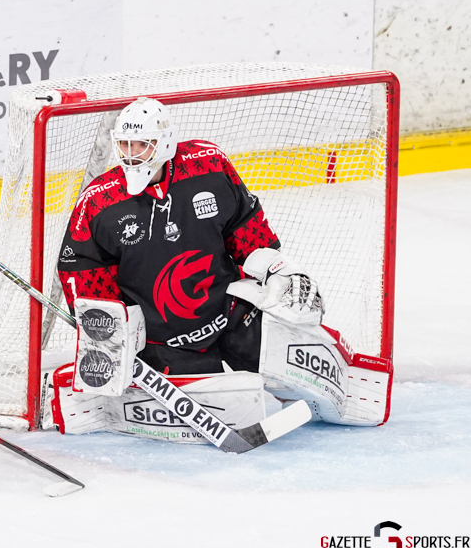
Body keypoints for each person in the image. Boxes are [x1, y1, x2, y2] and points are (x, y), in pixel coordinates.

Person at [57, 97, 323, 376]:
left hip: (230, 315)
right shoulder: (100, 202)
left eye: (141, 144)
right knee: (209, 399)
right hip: (159, 340)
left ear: (164, 142)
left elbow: (245, 226)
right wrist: (107, 328)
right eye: (124, 144)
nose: (131, 153)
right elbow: (83, 268)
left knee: (291, 367)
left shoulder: (208, 166)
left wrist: (276, 269)